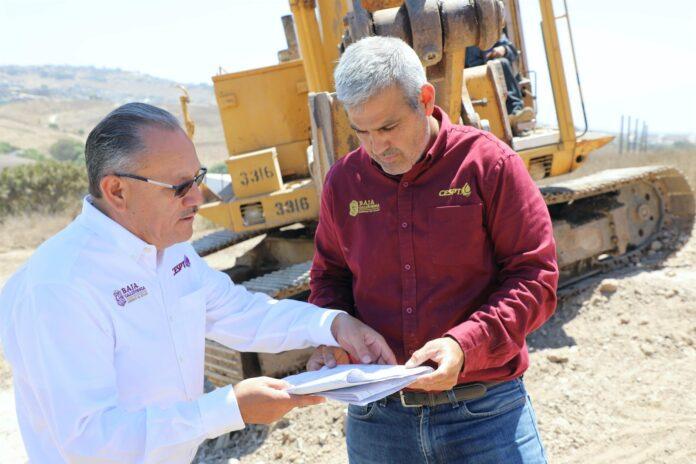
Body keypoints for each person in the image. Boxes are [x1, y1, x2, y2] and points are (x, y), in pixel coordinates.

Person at [0, 103, 396, 463]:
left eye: (198, 178)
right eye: (179, 187)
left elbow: (240, 312)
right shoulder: (60, 287)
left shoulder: (168, 249)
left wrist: (332, 325)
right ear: (116, 190)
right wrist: (230, 409)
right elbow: (90, 438)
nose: (198, 199)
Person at [307, 37, 558, 463]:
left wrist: (464, 346)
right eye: (361, 131)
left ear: (424, 100)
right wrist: (333, 331)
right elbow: (330, 277)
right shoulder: (343, 182)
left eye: (388, 127)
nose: (376, 147)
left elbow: (535, 279)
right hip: (378, 422)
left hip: (485, 415)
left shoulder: (488, 166)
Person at [465, 33, 534, 133]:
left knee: (502, 63)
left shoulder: (490, 29)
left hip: (493, 74)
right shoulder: (457, 38)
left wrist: (504, 49)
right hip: (470, 82)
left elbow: (512, 50)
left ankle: (515, 113)